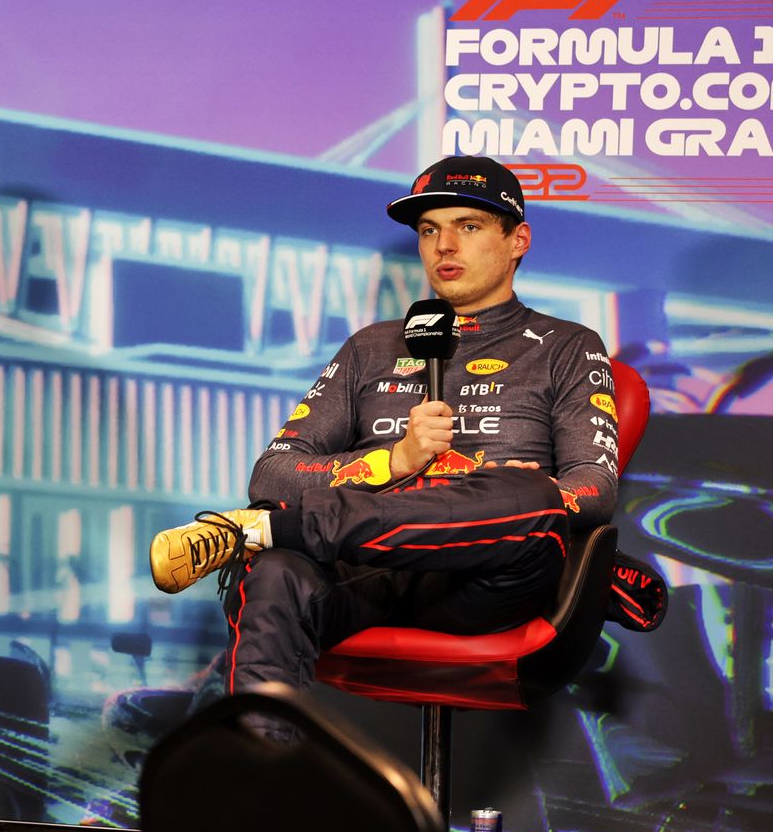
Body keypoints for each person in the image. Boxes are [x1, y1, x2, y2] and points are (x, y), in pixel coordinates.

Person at [148, 156, 618, 697]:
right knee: (274, 574)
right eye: (429, 230)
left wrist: (521, 489)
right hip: (366, 569)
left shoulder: (568, 345)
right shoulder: (371, 346)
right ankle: (258, 745)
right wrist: (393, 460)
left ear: (518, 240)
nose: (444, 246)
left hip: (482, 577)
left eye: (468, 226)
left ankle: (262, 530)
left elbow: (595, 487)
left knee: (532, 497)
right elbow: (272, 475)